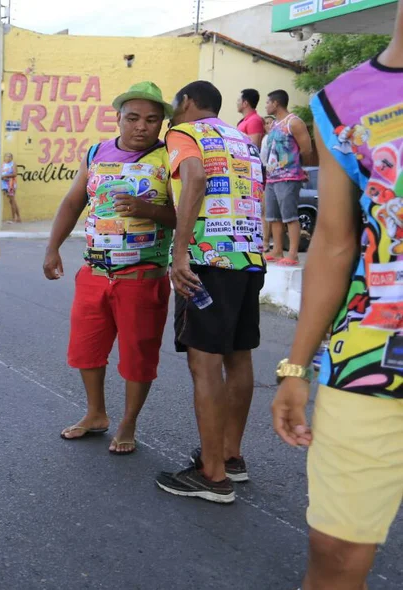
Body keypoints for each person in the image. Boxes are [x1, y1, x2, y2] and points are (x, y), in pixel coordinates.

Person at [271, 6, 403, 587]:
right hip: (372, 358)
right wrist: (297, 365)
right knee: (336, 552)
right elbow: (331, 243)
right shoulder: (342, 102)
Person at [43, 81, 176, 455]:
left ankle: (128, 421)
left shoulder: (169, 158)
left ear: (161, 124)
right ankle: (95, 414)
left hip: (142, 276)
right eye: (132, 118)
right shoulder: (96, 152)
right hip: (95, 273)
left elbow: (188, 216)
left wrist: (148, 210)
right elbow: (73, 202)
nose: (141, 126)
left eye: (152, 120)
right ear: (118, 118)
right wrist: (52, 247)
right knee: (86, 350)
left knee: (138, 356)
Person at [154, 81, 266, 504]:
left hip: (207, 261)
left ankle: (212, 474)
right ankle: (231, 457)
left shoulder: (184, 133)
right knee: (239, 357)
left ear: (185, 103)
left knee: (205, 363)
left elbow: (195, 178)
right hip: (247, 258)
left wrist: (179, 254)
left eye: (171, 108)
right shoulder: (244, 139)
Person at [264, 89, 313, 266]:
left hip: (289, 176)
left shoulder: (294, 122)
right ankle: (277, 250)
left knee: (290, 216)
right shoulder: (275, 125)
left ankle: (292, 254)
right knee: (273, 217)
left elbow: (307, 149)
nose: (266, 106)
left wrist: (301, 168)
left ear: (276, 103)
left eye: (268, 102)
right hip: (272, 177)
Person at [1, 152, 22, 223]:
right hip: (4, 184)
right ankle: (18, 218)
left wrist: (5, 176)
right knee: (11, 201)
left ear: (11, 158)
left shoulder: (13, 164)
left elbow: (15, 173)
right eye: (7, 156)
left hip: (11, 184)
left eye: (9, 156)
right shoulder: (3, 164)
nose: (8, 158)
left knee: (12, 200)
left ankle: (15, 218)